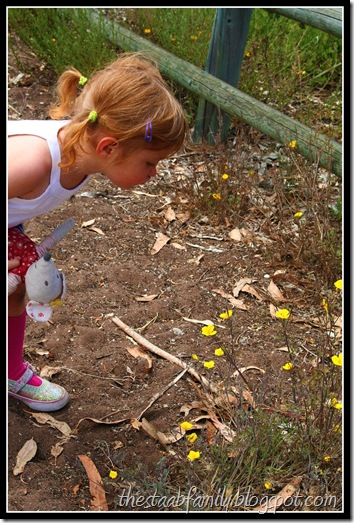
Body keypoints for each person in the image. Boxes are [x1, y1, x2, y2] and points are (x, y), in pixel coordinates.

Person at [8, 52, 189, 412]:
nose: (153, 173)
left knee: (18, 288)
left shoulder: (84, 154)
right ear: (109, 147)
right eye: (150, 163)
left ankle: (11, 371)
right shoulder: (33, 162)